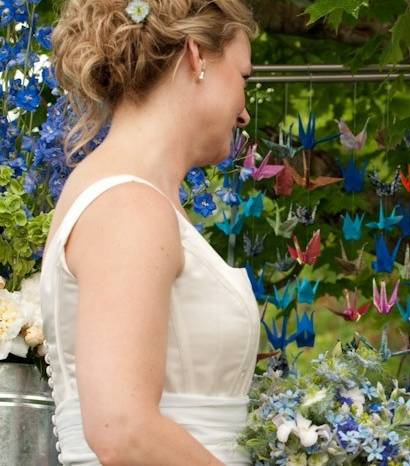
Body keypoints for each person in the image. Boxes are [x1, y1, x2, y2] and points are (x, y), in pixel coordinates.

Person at [40, 1, 259, 464]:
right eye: (244, 78)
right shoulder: (128, 205)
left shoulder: (132, 196)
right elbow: (123, 429)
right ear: (197, 55)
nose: (244, 113)